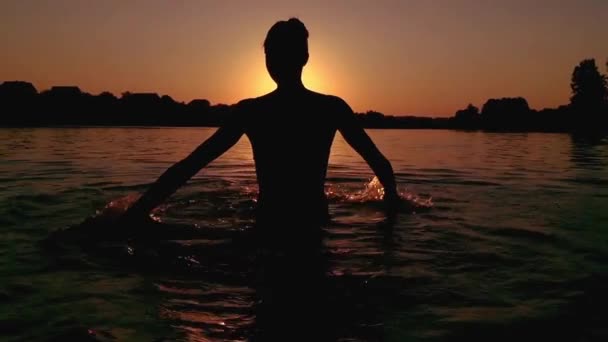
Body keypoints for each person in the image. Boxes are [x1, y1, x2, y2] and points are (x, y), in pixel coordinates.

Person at [121, 18, 399, 228]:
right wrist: (392, 210)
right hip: (314, 222)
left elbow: (190, 166)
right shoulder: (330, 108)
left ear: (271, 61)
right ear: (305, 58)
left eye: (273, 54)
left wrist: (137, 211)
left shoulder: (252, 111)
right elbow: (381, 165)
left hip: (269, 222)